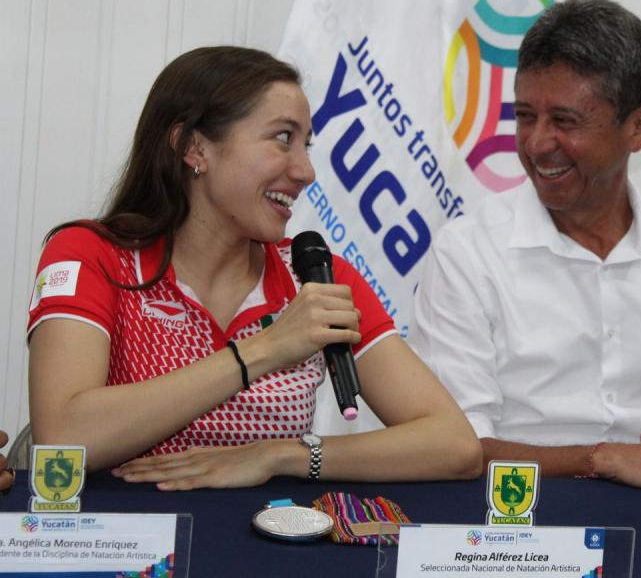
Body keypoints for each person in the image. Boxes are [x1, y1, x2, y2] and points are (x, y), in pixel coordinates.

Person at [27, 46, 482, 490]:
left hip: (267, 535)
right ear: (194, 148)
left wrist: (281, 456)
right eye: (283, 138)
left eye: (306, 145)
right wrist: (266, 348)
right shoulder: (92, 254)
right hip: (127, 536)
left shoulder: (317, 278)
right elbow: (63, 437)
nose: (306, 171)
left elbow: (455, 445)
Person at [409, 0, 641, 499]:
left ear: (640, 126)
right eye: (525, 116)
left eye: (565, 121)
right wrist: (603, 459)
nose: (536, 143)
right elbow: (457, 446)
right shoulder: (467, 252)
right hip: (515, 514)